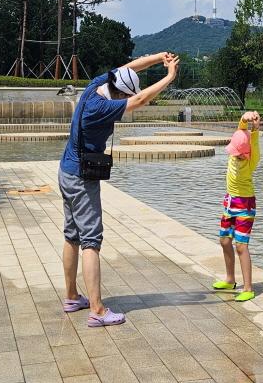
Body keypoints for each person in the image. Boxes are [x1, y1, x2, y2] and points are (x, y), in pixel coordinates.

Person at [60, 51, 179, 327]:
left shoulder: (96, 85)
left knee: (71, 236)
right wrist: (169, 76)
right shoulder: (102, 108)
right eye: (124, 96)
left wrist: (158, 56)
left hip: (65, 171)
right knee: (91, 241)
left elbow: (128, 66)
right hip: (81, 177)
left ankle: (71, 297)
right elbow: (140, 99)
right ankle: (98, 311)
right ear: (118, 93)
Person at [213, 110, 262, 301]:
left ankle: (248, 288)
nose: (233, 155)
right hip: (230, 201)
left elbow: (254, 142)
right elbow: (241, 129)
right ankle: (230, 279)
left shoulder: (252, 159)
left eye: (237, 153)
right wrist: (246, 118)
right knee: (225, 240)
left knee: (241, 246)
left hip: (245, 204)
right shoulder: (234, 153)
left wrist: (256, 129)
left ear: (246, 153)